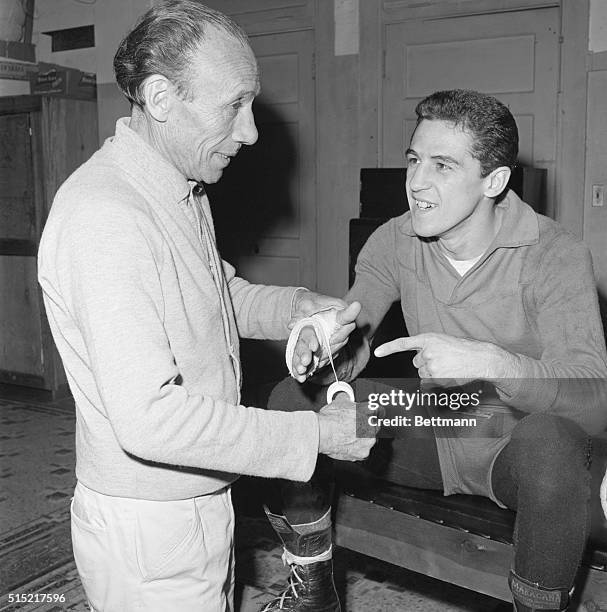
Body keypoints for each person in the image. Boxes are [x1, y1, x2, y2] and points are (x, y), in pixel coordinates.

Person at [37, 2, 375, 610]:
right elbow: (152, 419)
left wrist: (297, 305)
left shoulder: (173, 188)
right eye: (233, 106)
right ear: (162, 98)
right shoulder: (108, 215)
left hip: (191, 503)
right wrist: (316, 435)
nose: (249, 131)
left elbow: (218, 296)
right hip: (151, 523)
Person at [260, 90, 607, 612]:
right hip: (441, 415)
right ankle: (312, 593)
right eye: (414, 159)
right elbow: (354, 341)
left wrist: (493, 362)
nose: (417, 182)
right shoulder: (394, 240)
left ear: (494, 181)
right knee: (291, 399)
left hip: (521, 436)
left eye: (443, 165)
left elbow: (595, 402)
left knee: (553, 442)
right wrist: (322, 346)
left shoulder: (555, 255)